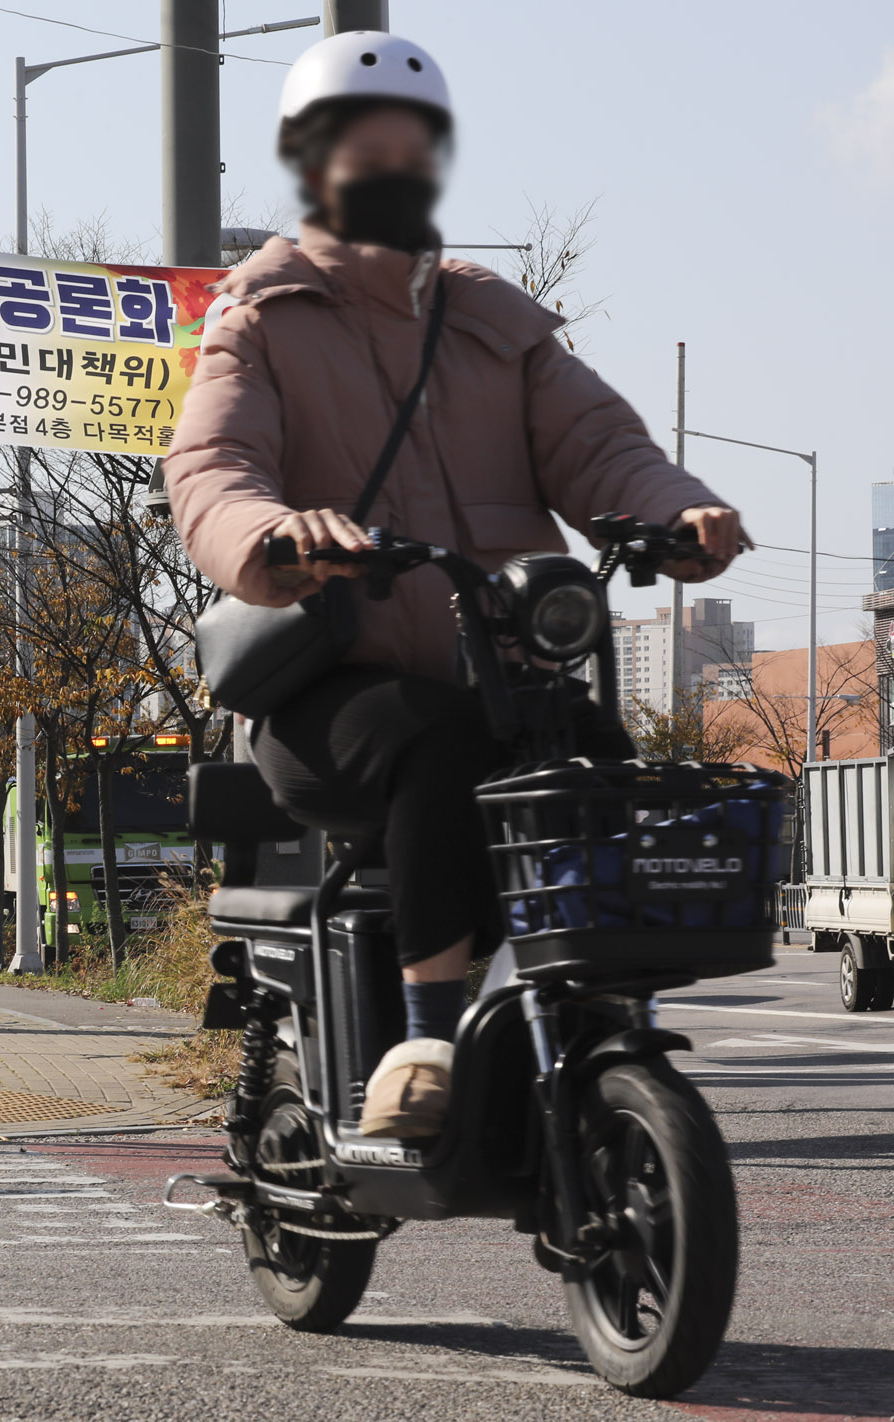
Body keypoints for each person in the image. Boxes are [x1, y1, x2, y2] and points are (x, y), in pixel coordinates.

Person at [163, 30, 745, 1138]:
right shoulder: (260, 319)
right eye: (359, 146)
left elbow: (600, 448)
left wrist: (676, 512)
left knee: (597, 766)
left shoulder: (495, 326)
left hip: (503, 670)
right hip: (332, 690)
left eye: (408, 147)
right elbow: (211, 468)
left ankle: (599, 1023)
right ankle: (424, 1045)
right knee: (439, 744)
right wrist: (280, 535)